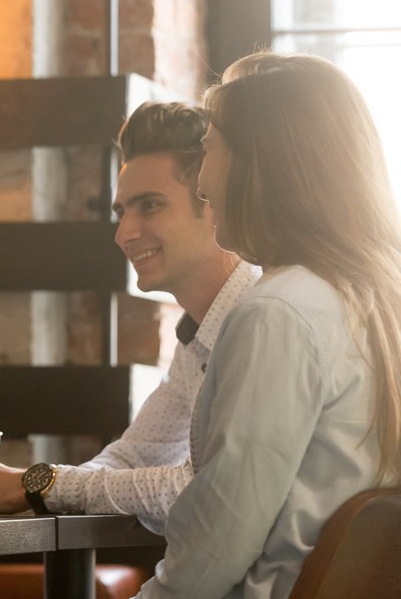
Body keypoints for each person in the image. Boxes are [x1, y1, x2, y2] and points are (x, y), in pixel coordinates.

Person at [135, 52, 401, 597]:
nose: (203, 184)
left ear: (261, 164)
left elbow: (212, 552)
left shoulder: (277, 314)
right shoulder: (375, 301)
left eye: (208, 152)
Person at [0, 101, 260, 534]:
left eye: (149, 206)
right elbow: (133, 456)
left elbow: (200, 490)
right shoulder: (198, 336)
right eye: (121, 212)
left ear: (213, 202)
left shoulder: (260, 321)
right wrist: (47, 485)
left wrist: (40, 484)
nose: (123, 233)